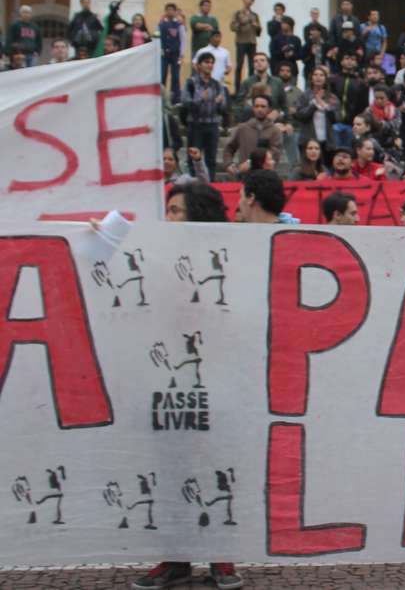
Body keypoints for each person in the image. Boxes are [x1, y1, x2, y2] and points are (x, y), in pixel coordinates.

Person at [138, 182, 242, 590]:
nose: (170, 217)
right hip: (166, 384)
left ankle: (222, 556)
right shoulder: (155, 257)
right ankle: (175, 558)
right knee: (170, 468)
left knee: (216, 467)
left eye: (178, 210)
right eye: (169, 209)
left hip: (217, 382)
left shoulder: (228, 258)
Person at [181, 51, 228, 177]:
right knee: (193, 159)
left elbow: (223, 108)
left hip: (212, 125)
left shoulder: (217, 84)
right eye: (206, 62)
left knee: (211, 160)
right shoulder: (191, 82)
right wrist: (200, 99)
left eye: (212, 63)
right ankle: (193, 186)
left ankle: (210, 186)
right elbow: (185, 102)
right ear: (199, 65)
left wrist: (219, 103)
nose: (210, 65)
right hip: (195, 125)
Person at [225, 96, 283, 174]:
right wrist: (229, 164)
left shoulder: (275, 131)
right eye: (256, 106)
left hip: (266, 175)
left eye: (263, 106)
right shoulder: (242, 128)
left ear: (269, 109)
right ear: (252, 108)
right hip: (245, 175)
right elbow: (229, 148)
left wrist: (251, 162)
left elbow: (275, 153)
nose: (259, 109)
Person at [293, 65, 336, 157]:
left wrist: (325, 106)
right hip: (308, 140)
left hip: (327, 141)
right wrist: (315, 104)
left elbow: (336, 117)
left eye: (321, 75)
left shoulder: (331, 97)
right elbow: (300, 116)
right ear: (311, 78)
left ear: (325, 79)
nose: (318, 77)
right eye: (315, 75)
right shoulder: (304, 96)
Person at [330, 52, 368, 150]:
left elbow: (363, 105)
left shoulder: (361, 83)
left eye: (353, 59)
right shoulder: (333, 80)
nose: (350, 61)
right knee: (335, 152)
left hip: (352, 125)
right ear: (341, 61)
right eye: (347, 58)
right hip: (334, 123)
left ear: (356, 63)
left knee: (349, 152)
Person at [229, 0, 262, 92]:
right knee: (239, 65)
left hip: (252, 42)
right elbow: (232, 27)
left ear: (253, 2)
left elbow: (258, 32)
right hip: (241, 41)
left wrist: (257, 26)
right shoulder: (238, 13)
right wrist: (242, 23)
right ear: (243, 0)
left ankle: (251, 88)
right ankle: (238, 89)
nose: (248, 1)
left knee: (253, 66)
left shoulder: (255, 15)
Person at [157, 3, 186, 103]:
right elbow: (156, 38)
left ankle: (175, 98)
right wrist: (159, 50)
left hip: (175, 54)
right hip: (164, 54)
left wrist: (181, 54)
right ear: (165, 11)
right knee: (162, 75)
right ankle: (161, 97)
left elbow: (183, 39)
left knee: (175, 76)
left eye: (172, 10)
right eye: (168, 10)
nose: (170, 12)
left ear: (175, 12)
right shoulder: (161, 24)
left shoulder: (179, 25)